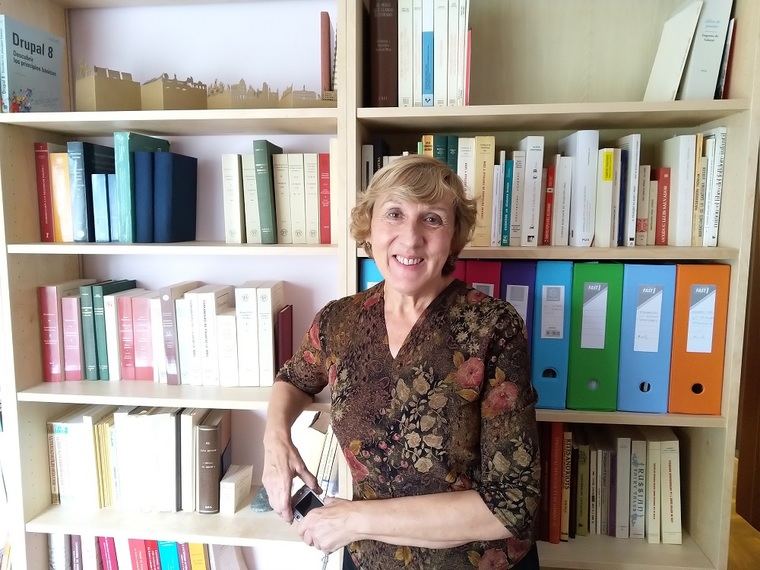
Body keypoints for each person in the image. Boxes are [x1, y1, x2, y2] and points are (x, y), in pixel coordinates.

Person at [262, 155, 540, 569]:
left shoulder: (492, 326)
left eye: (432, 219)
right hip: (367, 558)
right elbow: (294, 379)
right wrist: (276, 440)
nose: (410, 239)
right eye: (394, 214)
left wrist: (353, 520)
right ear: (369, 227)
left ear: (453, 236)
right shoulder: (339, 320)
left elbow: (513, 505)